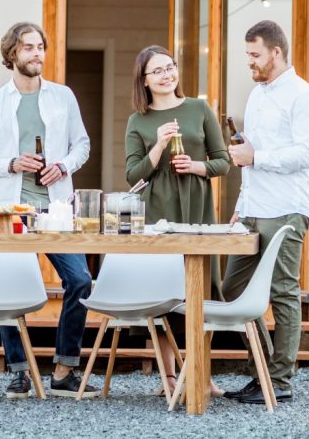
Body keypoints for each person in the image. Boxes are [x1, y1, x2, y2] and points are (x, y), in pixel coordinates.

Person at [0, 22, 97, 399]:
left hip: (55, 208)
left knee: (80, 281)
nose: (37, 53)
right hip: (10, 210)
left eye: (40, 47)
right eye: (28, 48)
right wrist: (10, 164)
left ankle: (63, 369)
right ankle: (19, 370)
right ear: (12, 54)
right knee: (10, 286)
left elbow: (82, 145)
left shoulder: (63, 96)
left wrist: (64, 165)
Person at [221, 20, 309, 406]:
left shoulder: (303, 95)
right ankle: (261, 367)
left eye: (255, 55)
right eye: (248, 55)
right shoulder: (257, 96)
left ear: (276, 53)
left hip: (287, 208)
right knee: (233, 290)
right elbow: (248, 156)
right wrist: (241, 206)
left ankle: (279, 379)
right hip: (254, 209)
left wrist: (257, 157)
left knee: (282, 292)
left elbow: (308, 154)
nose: (250, 62)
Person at [124, 44, 230, 396]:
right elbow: (132, 174)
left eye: (170, 67)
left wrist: (197, 166)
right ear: (144, 80)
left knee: (201, 288)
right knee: (166, 290)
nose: (167, 74)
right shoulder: (138, 120)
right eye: (158, 70)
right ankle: (168, 377)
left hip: (196, 206)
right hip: (157, 211)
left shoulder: (199, 108)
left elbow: (223, 161)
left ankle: (202, 374)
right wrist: (158, 146)